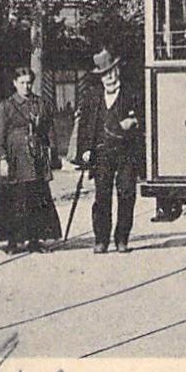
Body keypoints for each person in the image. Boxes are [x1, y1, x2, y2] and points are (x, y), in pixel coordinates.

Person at [76, 48, 144, 253]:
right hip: (101, 153)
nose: (110, 78)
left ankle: (122, 238)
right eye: (105, 74)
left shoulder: (132, 93)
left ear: (118, 72)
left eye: (112, 72)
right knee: (102, 196)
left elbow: (145, 118)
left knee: (126, 194)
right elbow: (85, 125)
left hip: (127, 153)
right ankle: (101, 239)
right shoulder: (93, 97)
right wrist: (85, 150)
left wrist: (134, 121)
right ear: (100, 77)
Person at [0, 67, 61, 254]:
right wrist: (2, 159)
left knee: (36, 197)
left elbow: (49, 128)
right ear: (15, 84)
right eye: (22, 83)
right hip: (15, 158)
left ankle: (35, 240)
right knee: (14, 199)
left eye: (29, 82)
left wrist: (52, 151)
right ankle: (13, 241)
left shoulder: (40, 103)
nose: (26, 86)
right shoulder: (7, 106)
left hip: (36, 157)